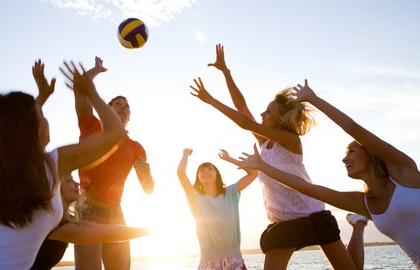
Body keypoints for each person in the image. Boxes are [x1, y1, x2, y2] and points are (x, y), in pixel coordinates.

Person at [189, 44, 363, 270]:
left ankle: (358, 226)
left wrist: (211, 100)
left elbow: (245, 122)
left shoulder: (291, 142)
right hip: (282, 224)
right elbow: (242, 108)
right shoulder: (265, 144)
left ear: (280, 120)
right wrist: (225, 72)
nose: (262, 114)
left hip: (312, 216)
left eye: (268, 111)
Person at [0, 60, 127, 270]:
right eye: (41, 114)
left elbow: (13, 127)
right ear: (31, 127)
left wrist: (42, 97)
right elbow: (115, 133)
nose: (46, 120)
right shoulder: (51, 165)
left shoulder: (1, 173)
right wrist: (90, 92)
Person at [237, 79, 420, 269]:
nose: (344, 159)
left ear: (369, 151)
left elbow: (352, 128)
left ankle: (358, 225)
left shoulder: (404, 172)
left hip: (311, 217)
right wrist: (263, 167)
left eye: (351, 152)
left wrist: (314, 99)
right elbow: (304, 187)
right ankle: (358, 225)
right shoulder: (364, 203)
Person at [73, 57, 155, 270]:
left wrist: (148, 175)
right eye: (118, 104)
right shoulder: (92, 127)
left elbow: (148, 190)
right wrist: (95, 71)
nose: (123, 108)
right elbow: (81, 90)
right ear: (106, 110)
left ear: (129, 117)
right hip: (88, 210)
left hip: (116, 213)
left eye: (126, 107)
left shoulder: (136, 147)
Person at [31, 175, 150, 270]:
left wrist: (145, 230)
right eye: (69, 180)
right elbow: (105, 234)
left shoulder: (63, 220)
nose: (77, 183)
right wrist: (147, 231)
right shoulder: (52, 223)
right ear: (56, 189)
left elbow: (103, 229)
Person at [177, 148, 258, 270]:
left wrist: (230, 159)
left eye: (210, 169)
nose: (206, 172)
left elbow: (253, 173)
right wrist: (185, 154)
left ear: (217, 175)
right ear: (198, 178)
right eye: (201, 171)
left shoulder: (231, 192)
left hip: (235, 262)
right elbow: (181, 173)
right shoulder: (195, 197)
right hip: (208, 264)